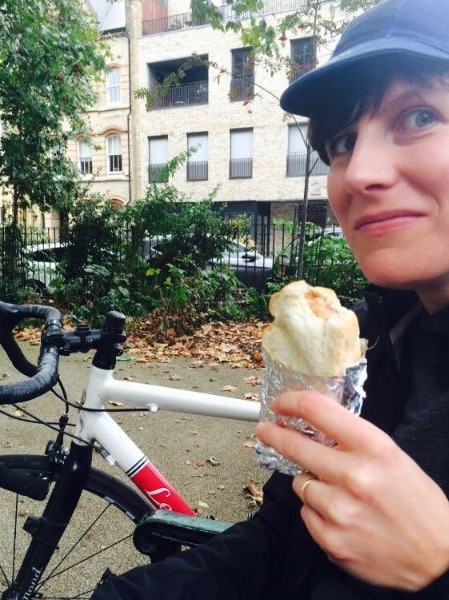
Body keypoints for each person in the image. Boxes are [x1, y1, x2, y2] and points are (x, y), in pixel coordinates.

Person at [91, 0, 449, 597]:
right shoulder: (370, 345)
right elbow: (282, 540)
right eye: (341, 141)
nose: (358, 172)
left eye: (417, 116)